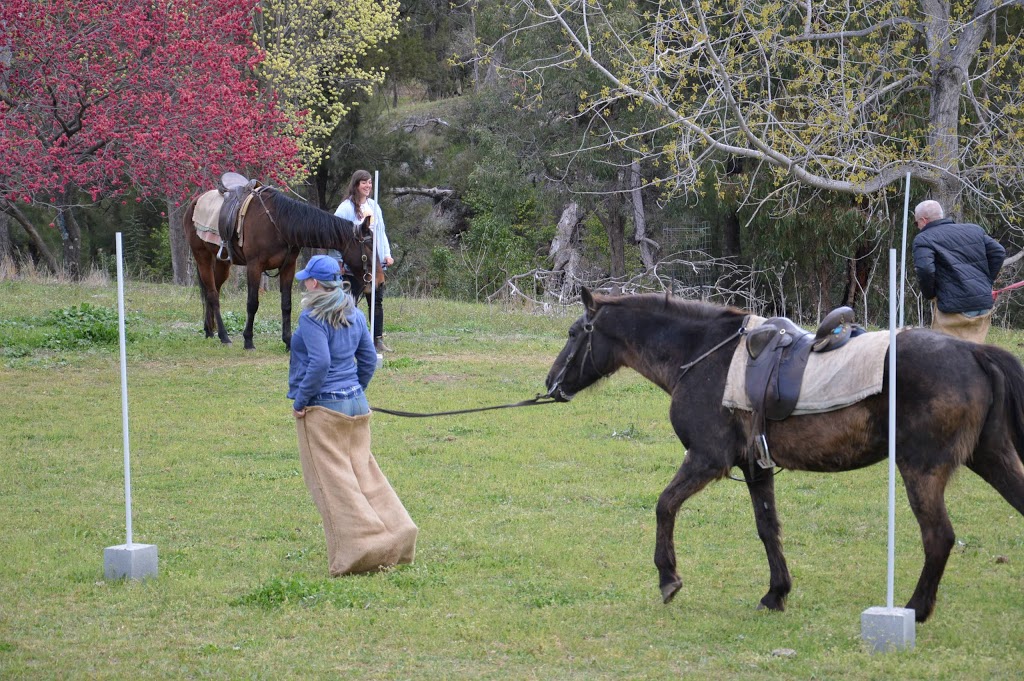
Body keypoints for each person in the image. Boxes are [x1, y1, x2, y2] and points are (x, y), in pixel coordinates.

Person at [288, 254, 417, 576]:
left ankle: (361, 551)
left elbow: (319, 364)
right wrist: (355, 390)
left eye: (307, 278)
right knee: (367, 477)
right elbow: (369, 360)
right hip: (357, 405)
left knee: (335, 485)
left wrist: (301, 400)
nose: (304, 282)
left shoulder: (312, 317)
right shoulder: (356, 313)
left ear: (315, 283)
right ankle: (399, 535)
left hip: (323, 407)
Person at [912, 199, 1005, 343]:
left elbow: (925, 269)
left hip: (954, 308)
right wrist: (986, 282)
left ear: (923, 220)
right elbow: (998, 252)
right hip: (982, 304)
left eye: (916, 223)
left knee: (946, 355)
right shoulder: (973, 230)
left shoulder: (924, 238)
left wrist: (930, 294)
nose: (917, 226)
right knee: (974, 354)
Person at [334, 170, 394, 354]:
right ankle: (348, 340)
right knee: (350, 302)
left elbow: (381, 232)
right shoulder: (345, 208)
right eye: (363, 183)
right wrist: (338, 261)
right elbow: (337, 234)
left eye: (369, 183)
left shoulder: (374, 207)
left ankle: (377, 339)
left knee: (376, 301)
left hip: (374, 263)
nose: (368, 186)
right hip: (354, 265)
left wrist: (386, 254)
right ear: (356, 185)